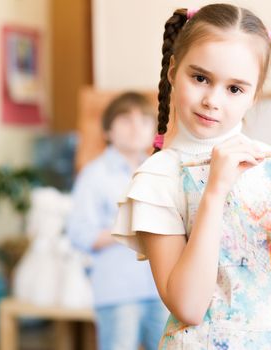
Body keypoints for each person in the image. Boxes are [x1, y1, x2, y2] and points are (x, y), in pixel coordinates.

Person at [112, 4, 271, 349]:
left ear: (253, 96)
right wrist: (216, 191)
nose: (212, 100)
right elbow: (188, 306)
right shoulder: (158, 179)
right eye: (200, 78)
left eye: (234, 89)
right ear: (174, 71)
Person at [66, 92, 169, 350]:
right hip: (118, 292)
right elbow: (79, 234)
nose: (136, 127)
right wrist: (130, 227)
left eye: (144, 120)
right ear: (107, 131)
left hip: (162, 289)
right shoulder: (93, 175)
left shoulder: (159, 169)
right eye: (126, 119)